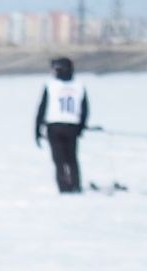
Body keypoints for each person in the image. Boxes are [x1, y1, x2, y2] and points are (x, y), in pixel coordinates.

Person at [34, 56, 89, 195]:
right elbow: (85, 109)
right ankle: (76, 186)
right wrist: (81, 127)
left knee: (59, 160)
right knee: (72, 159)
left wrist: (37, 130)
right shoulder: (79, 86)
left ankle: (64, 188)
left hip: (54, 127)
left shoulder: (51, 86)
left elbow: (42, 109)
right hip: (72, 127)